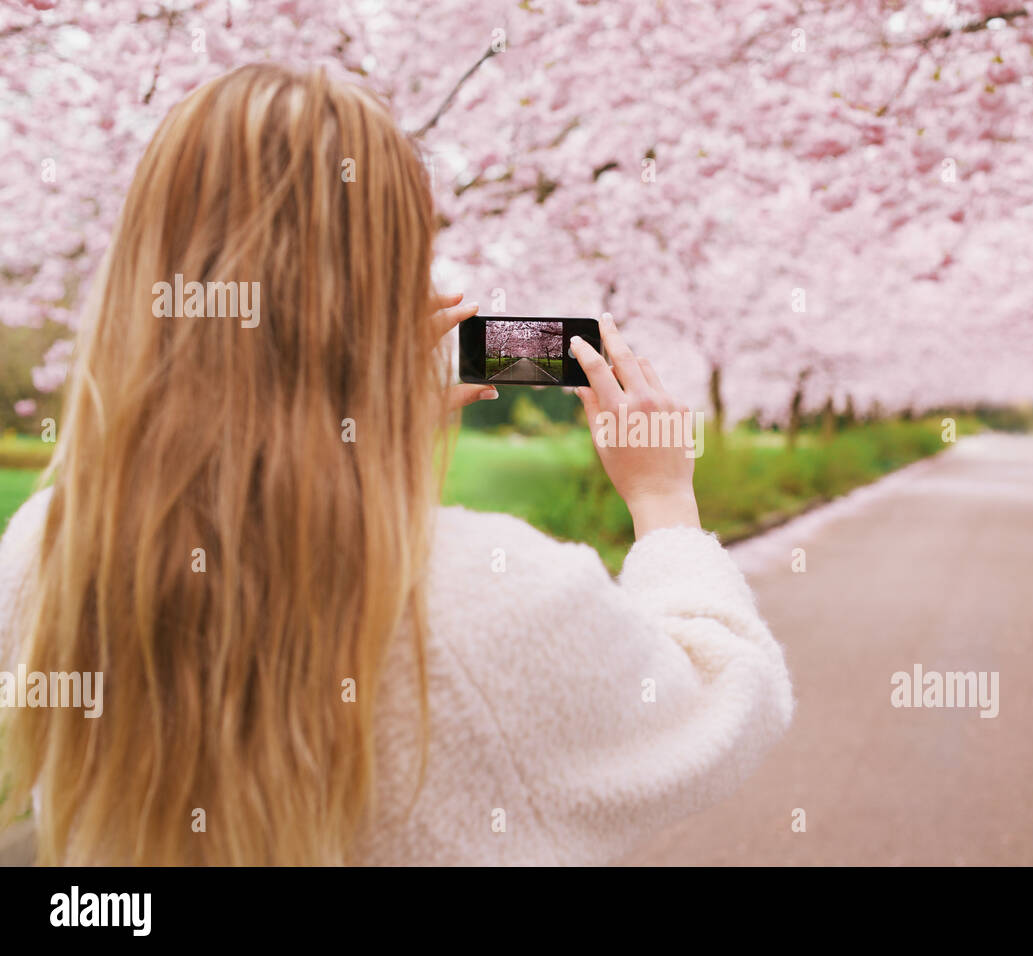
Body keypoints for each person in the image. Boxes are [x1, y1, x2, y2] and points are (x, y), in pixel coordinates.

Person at [0, 64, 792, 866]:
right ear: (386, 284)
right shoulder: (489, 596)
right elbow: (726, 700)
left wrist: (353, 436)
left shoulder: (47, 551)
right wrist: (662, 499)